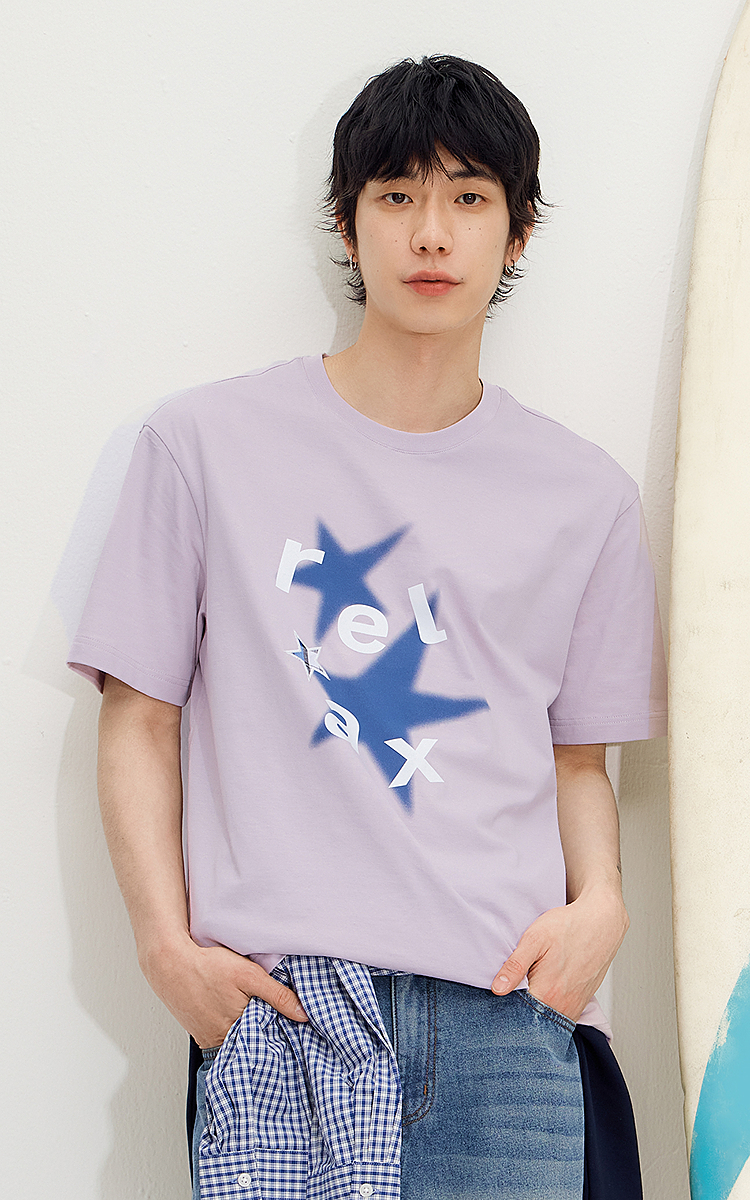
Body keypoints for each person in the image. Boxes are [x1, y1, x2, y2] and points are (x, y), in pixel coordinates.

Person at [68, 55, 667, 1199]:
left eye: (469, 197)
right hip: (289, 1009)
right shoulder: (205, 445)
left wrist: (602, 905)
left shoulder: (585, 494)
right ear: (348, 224)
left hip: (508, 1013)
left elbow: (578, 762)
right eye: (397, 195)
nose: (431, 233)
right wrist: (165, 948)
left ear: (518, 232)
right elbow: (138, 718)